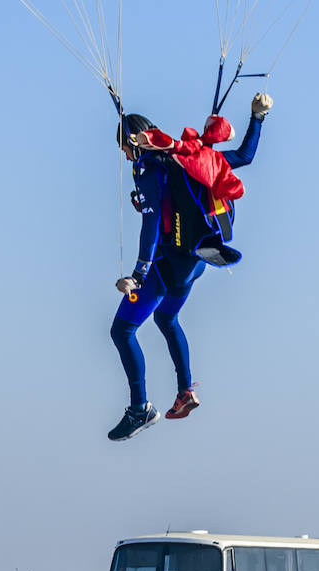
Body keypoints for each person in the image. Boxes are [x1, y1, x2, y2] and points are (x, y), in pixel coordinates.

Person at [106, 92, 273, 441]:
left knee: (122, 331)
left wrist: (137, 276)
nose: (124, 156)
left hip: (172, 264)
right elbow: (243, 156)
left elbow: (151, 227)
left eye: (124, 149)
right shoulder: (186, 158)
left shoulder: (151, 172)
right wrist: (257, 117)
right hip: (197, 261)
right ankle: (185, 392)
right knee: (166, 318)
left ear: (135, 145)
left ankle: (140, 410)